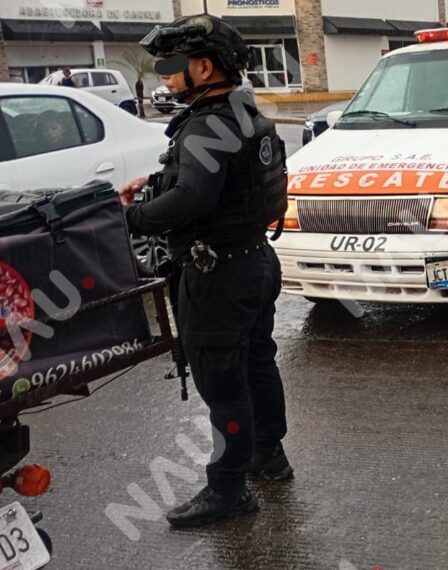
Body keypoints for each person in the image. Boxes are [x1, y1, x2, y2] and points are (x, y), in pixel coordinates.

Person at [118, 14, 291, 528]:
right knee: (258, 363)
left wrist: (131, 217)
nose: (168, 77)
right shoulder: (242, 113)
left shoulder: (207, 122)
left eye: (175, 67)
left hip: (218, 276)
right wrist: (154, 180)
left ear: (205, 67)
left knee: (223, 384)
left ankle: (228, 490)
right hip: (255, 261)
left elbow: (193, 196)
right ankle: (269, 456)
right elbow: (213, 176)